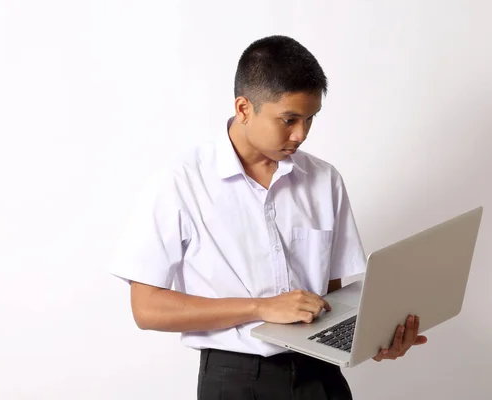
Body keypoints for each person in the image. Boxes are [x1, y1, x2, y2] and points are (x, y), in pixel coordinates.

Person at [110, 35, 427, 400]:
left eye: (310, 119)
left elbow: (334, 296)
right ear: (244, 108)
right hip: (236, 379)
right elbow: (146, 308)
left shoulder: (324, 179)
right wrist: (261, 308)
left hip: (321, 376)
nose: (301, 134)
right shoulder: (181, 182)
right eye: (288, 119)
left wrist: (373, 337)